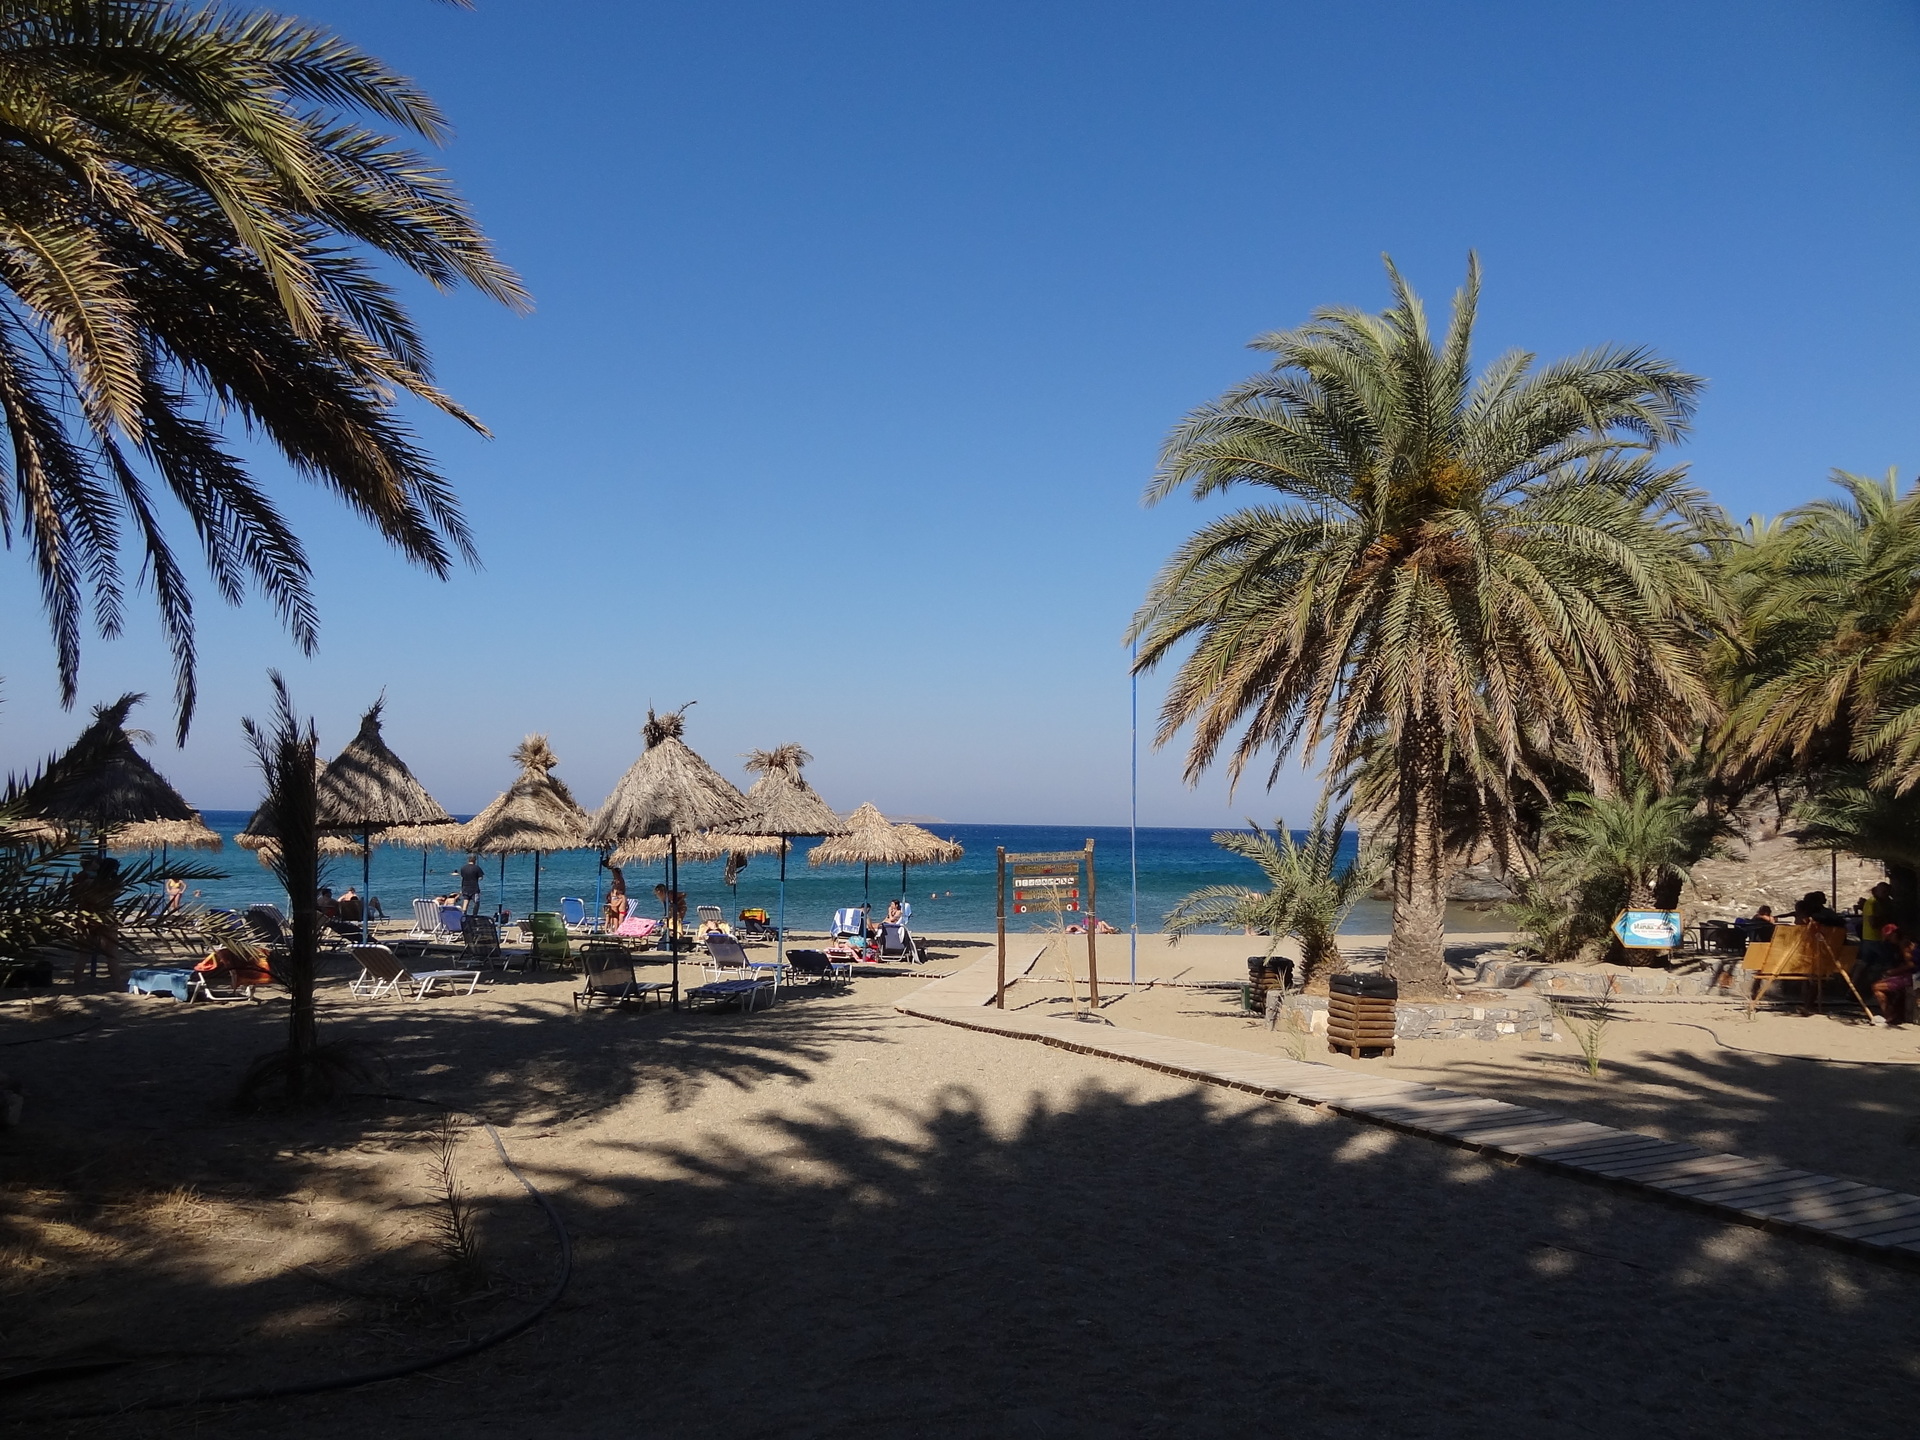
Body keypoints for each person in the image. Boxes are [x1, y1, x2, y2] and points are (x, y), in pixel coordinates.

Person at [71, 855, 123, 987]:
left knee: (83, 954)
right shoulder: (112, 884)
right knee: (112, 955)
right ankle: (117, 983)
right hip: (106, 919)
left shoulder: (85, 882)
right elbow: (117, 893)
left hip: (86, 918)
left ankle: (77, 983)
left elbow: (73, 896)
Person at [1871, 938, 1915, 1026]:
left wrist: (1893, 972)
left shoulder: (1910, 951)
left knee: (1876, 987)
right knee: (1878, 988)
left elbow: (1911, 965)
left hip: (1911, 977)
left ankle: (1889, 1014)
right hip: (1906, 975)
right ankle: (1889, 1013)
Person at [604, 865, 628, 931]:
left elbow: (617, 877)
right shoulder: (619, 882)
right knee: (614, 916)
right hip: (616, 899)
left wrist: (612, 869)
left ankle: (617, 930)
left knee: (616, 916)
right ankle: (615, 930)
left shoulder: (619, 881)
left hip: (617, 900)